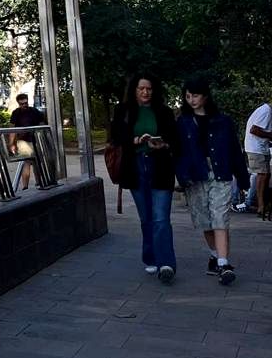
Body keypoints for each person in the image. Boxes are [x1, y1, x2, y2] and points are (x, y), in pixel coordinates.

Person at [175, 77, 247, 285]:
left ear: (205, 96)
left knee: (219, 216)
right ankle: (215, 256)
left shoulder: (223, 121)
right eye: (188, 96)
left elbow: (234, 150)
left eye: (195, 95)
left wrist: (242, 178)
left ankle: (224, 263)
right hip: (196, 176)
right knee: (205, 220)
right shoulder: (183, 122)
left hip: (220, 173)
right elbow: (178, 153)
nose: (192, 100)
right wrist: (182, 176)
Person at [110, 72, 179, 283]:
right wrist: (137, 139)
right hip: (135, 167)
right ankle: (150, 256)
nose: (145, 92)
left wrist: (162, 143)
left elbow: (173, 139)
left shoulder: (164, 112)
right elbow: (116, 137)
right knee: (146, 217)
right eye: (141, 88)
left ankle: (166, 263)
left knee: (161, 217)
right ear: (134, 90)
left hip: (160, 167)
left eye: (149, 88)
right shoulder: (123, 111)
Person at [8, 92, 46, 190]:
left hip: (35, 140)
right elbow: (12, 129)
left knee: (37, 163)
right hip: (23, 141)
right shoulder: (16, 113)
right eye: (22, 104)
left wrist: (41, 135)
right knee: (27, 162)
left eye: (25, 103)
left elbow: (42, 123)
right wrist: (11, 143)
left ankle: (39, 182)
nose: (24, 105)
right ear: (18, 103)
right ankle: (25, 186)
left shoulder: (34, 111)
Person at [242, 100, 272, 214]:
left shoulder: (266, 110)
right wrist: (270, 135)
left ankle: (262, 203)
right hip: (255, 147)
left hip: (260, 147)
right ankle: (260, 206)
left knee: (266, 175)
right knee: (262, 175)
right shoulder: (266, 111)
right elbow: (254, 130)